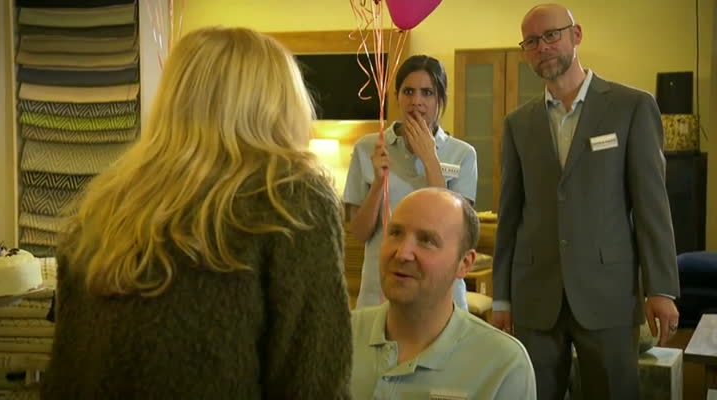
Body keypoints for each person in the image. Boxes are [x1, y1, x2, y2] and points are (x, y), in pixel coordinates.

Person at [42, 27, 352, 399]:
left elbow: (64, 373)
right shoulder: (290, 198)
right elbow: (315, 379)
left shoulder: (102, 207)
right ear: (279, 105)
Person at [492, 4, 681, 399]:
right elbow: (510, 216)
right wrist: (502, 297)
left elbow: (652, 207)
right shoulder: (517, 124)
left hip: (608, 294)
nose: (542, 47)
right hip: (535, 297)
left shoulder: (631, 107)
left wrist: (661, 288)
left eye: (551, 35)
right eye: (531, 42)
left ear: (576, 35)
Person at [351, 188, 536, 399]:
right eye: (395, 233)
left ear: (464, 263)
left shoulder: (503, 365)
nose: (402, 254)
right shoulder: (339, 336)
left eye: (427, 240)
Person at [344, 55, 478, 310]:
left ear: (440, 99)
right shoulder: (368, 147)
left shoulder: (462, 154)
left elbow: (459, 232)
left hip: (440, 295)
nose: (417, 101)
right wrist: (378, 183)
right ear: (397, 97)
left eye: (427, 92)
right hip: (381, 293)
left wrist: (430, 159)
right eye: (408, 91)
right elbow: (359, 233)